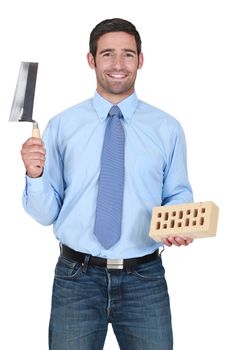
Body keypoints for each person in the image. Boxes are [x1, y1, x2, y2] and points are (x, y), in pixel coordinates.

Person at [21, 18, 193, 350]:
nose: (117, 65)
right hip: (76, 279)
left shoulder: (167, 128)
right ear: (91, 59)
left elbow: (177, 194)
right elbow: (46, 214)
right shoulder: (60, 126)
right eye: (107, 54)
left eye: (127, 55)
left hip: (145, 279)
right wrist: (35, 175)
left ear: (140, 61)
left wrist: (177, 221)